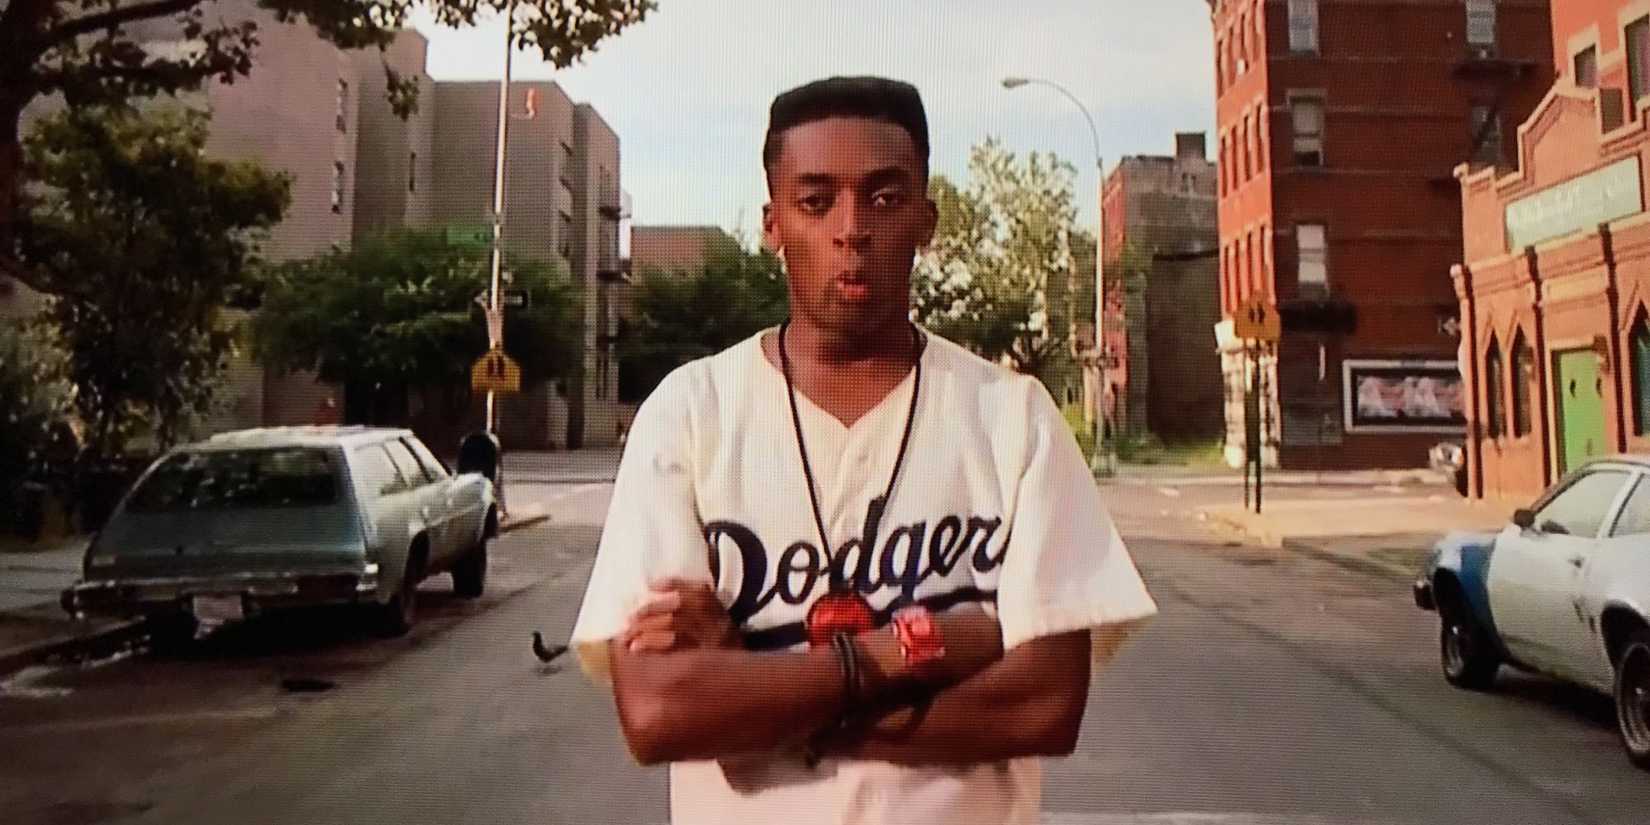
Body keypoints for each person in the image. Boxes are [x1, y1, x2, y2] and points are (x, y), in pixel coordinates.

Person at [568, 76, 1157, 825]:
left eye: (883, 197)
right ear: (773, 222)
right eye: (816, 201)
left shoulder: (1014, 418)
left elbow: (1042, 705)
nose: (852, 228)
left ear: (926, 220)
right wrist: (915, 650)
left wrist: (754, 700)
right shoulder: (688, 414)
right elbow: (659, 713)